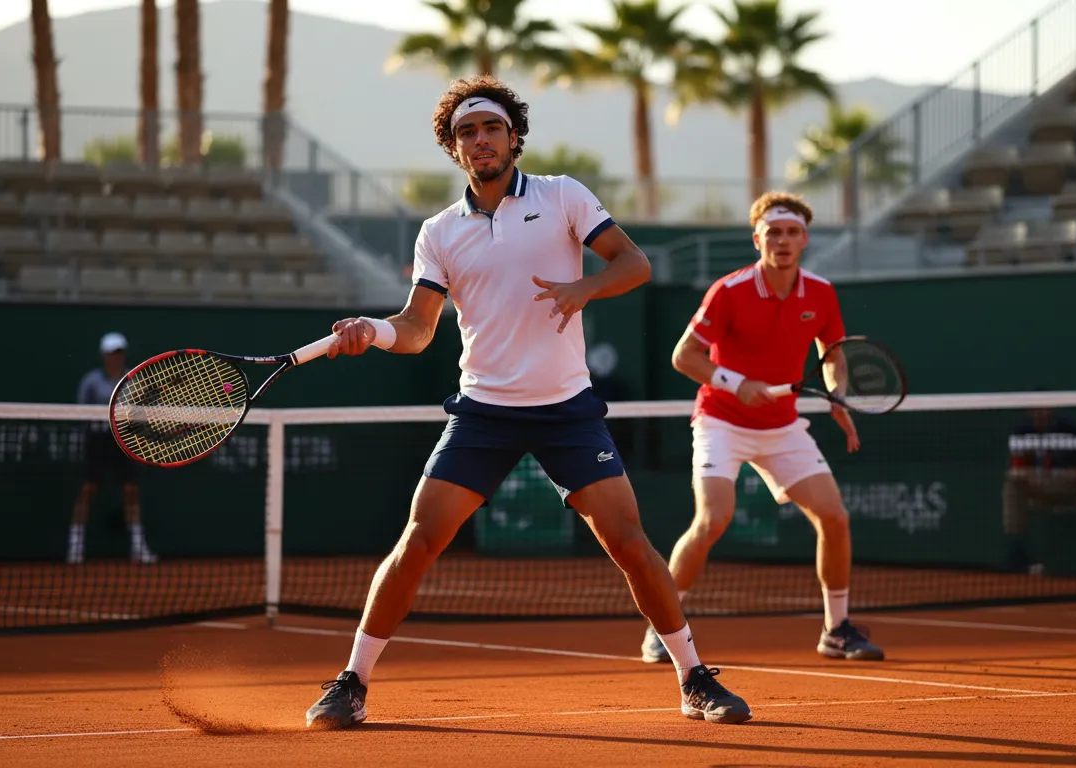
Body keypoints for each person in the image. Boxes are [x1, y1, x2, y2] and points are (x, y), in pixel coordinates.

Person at [304, 75, 752, 729]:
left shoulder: (564, 196)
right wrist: (369, 332)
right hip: (483, 412)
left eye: (490, 128)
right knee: (420, 540)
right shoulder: (439, 232)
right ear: (454, 150)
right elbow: (418, 328)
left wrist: (583, 289)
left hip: (567, 409)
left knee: (628, 541)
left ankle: (693, 679)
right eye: (465, 133)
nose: (479, 140)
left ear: (513, 136)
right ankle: (352, 683)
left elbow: (634, 264)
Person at [645, 192, 885, 665]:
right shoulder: (729, 290)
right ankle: (664, 627)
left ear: (805, 240)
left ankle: (836, 630)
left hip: (783, 426)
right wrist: (737, 383)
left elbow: (832, 354)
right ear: (758, 238)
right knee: (713, 520)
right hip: (721, 421)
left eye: (793, 232)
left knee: (834, 518)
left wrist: (837, 394)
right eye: (774, 232)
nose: (783, 240)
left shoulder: (821, 292)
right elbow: (684, 356)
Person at [68, 332, 157, 565]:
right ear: (104, 355)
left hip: (123, 442)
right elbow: (81, 412)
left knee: (130, 491)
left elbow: (142, 414)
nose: (116, 357)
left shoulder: (134, 381)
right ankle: (75, 547)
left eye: (119, 353)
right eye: (111, 353)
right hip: (96, 440)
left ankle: (138, 547)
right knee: (87, 489)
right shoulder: (91, 382)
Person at [1002, 394, 1076, 572]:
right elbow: (1016, 470)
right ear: (1029, 411)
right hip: (1040, 487)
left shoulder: (1071, 429)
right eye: (1035, 409)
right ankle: (1018, 548)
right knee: (1012, 486)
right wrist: (1035, 476)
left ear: (1051, 409)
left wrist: (1049, 476)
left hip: (1070, 487)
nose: (1040, 413)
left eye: (1043, 408)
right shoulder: (1022, 431)